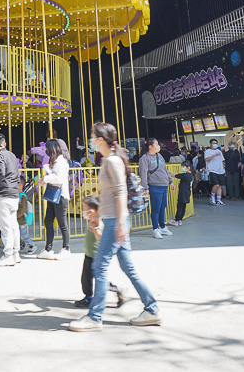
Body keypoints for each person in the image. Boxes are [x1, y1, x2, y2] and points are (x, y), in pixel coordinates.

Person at [70, 122, 161, 332]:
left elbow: (121, 193)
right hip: (112, 219)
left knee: (99, 268)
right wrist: (98, 215)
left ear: (100, 139)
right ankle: (152, 309)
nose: (90, 140)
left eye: (92, 137)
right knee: (128, 268)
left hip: (115, 222)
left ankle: (95, 317)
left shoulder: (112, 161)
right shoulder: (108, 160)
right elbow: (108, 194)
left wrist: (119, 223)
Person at [75, 195, 123, 309]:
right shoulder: (93, 219)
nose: (83, 210)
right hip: (89, 254)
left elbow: (100, 238)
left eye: (84, 207)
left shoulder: (98, 223)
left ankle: (90, 297)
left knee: (96, 278)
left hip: (95, 256)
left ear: (92, 210)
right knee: (87, 277)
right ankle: (91, 295)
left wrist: (96, 230)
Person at [0, 132, 21, 267]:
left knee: (5, 226)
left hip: (3, 194)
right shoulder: (12, 155)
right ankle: (16, 253)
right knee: (14, 225)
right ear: (5, 144)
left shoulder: (0, 156)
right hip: (14, 194)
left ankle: (7, 255)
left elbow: (0, 173)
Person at [38, 139, 71, 259]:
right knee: (48, 221)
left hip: (60, 195)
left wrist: (46, 179)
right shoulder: (56, 162)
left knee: (62, 223)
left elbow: (59, 179)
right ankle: (48, 248)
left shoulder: (61, 162)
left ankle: (66, 248)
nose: (46, 151)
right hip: (54, 195)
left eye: (47, 149)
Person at [140, 139, 174, 239]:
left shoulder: (159, 156)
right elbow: (143, 174)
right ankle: (155, 228)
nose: (158, 146)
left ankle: (162, 226)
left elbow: (165, 169)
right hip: (155, 186)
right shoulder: (144, 158)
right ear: (150, 146)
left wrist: (170, 180)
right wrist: (145, 187)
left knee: (163, 206)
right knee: (156, 208)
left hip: (164, 185)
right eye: (156, 144)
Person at [167, 160, 194, 226]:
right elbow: (177, 175)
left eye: (184, 167)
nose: (183, 168)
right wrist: (171, 173)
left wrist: (169, 173)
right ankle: (180, 220)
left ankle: (176, 220)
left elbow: (176, 175)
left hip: (183, 193)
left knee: (179, 206)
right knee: (183, 207)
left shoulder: (186, 175)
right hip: (187, 193)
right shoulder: (190, 175)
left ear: (188, 167)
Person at [204, 138, 226, 206]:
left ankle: (219, 199)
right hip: (212, 170)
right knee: (216, 185)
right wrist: (214, 155)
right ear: (210, 144)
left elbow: (222, 160)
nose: (215, 145)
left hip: (220, 171)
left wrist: (223, 168)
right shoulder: (208, 151)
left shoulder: (219, 151)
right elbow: (206, 159)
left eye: (216, 143)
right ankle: (212, 195)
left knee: (220, 186)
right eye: (213, 143)